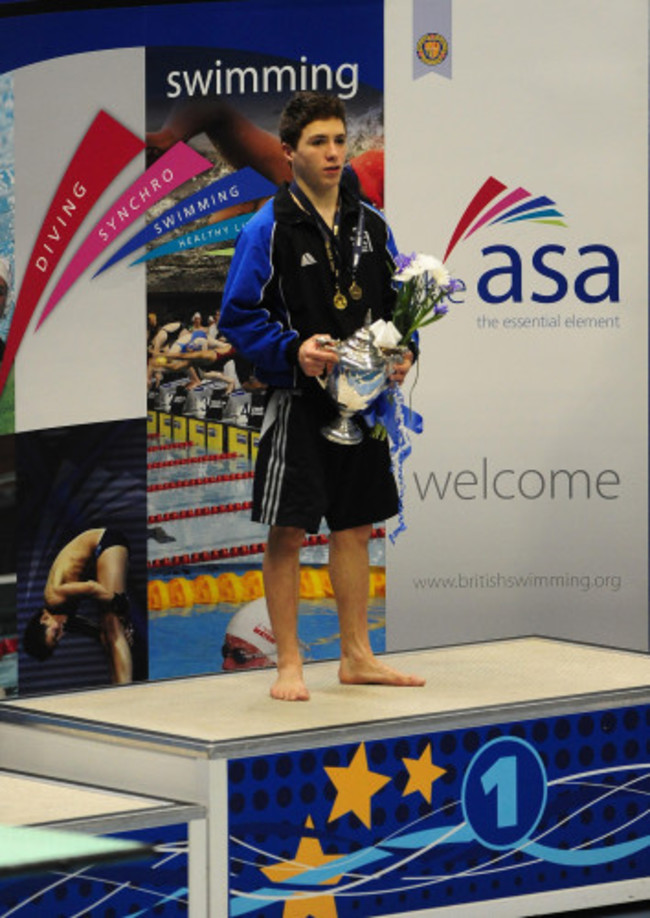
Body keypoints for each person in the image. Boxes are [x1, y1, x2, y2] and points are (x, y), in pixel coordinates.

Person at [219, 91, 425, 701]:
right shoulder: (268, 227)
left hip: (361, 406)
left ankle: (357, 655)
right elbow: (238, 316)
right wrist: (292, 352)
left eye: (339, 140)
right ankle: (289, 662)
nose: (334, 152)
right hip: (299, 404)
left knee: (357, 527)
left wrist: (404, 351)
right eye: (318, 142)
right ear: (289, 153)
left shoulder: (372, 222)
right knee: (287, 529)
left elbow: (397, 307)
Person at [22, 528, 133, 684]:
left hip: (104, 542)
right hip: (98, 556)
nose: (62, 635)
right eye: (57, 641)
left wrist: (121, 605)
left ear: (44, 619)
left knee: (112, 621)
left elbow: (91, 587)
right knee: (107, 633)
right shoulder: (60, 618)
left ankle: (127, 691)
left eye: (55, 635)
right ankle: (117, 686)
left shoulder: (53, 598)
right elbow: (98, 633)